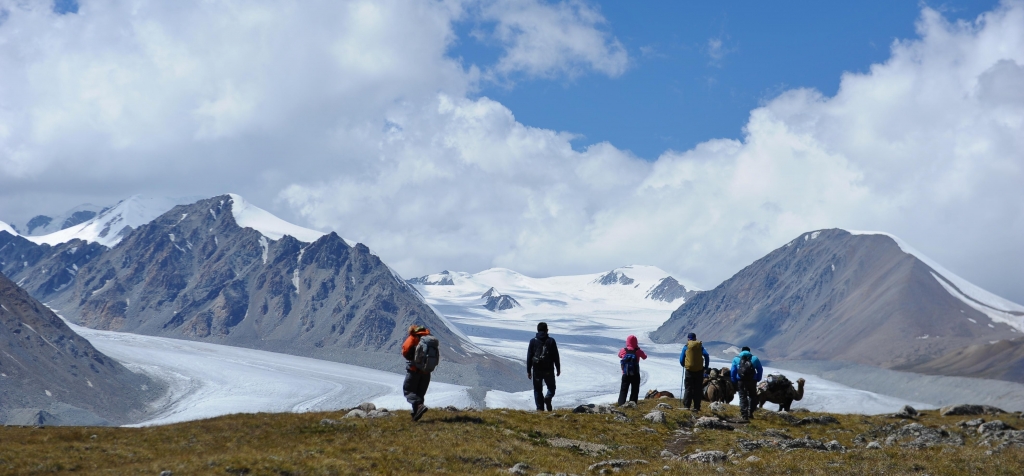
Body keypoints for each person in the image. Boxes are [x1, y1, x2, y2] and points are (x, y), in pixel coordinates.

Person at [401, 325, 434, 421]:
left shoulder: (414, 337)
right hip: (426, 372)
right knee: (420, 394)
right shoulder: (429, 339)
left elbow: (405, 350)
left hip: (414, 370)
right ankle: (416, 415)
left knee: (408, 391)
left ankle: (419, 407)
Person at [526, 322, 561, 411]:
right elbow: (555, 356)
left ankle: (540, 409)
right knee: (551, 387)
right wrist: (558, 368)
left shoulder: (533, 341)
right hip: (548, 369)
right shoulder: (551, 341)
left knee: (537, 390)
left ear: (537, 330)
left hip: (537, 369)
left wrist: (529, 371)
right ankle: (548, 396)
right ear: (547, 330)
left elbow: (529, 356)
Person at [730, 346, 764, 421]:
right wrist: (758, 378)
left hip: (741, 381)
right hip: (752, 381)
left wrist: (734, 380)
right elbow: (760, 369)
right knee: (752, 396)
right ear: (749, 351)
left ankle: (744, 414)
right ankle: (750, 412)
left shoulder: (736, 359)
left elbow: (733, 371)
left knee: (742, 397)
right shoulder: (755, 358)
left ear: (741, 351)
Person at [678, 332, 709, 412]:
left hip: (689, 371)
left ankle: (686, 406)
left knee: (688, 388)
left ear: (688, 338)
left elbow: (681, 359)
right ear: (695, 338)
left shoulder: (686, 347)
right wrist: (705, 367)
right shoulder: (700, 346)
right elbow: (706, 355)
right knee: (698, 389)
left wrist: (684, 365)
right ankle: (696, 407)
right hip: (699, 370)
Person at [617, 335, 648, 406]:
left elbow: (619, 355)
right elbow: (645, 357)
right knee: (635, 390)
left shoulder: (624, 350)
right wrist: (638, 349)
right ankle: (632, 404)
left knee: (623, 390)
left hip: (625, 373)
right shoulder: (638, 351)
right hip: (635, 374)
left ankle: (621, 404)